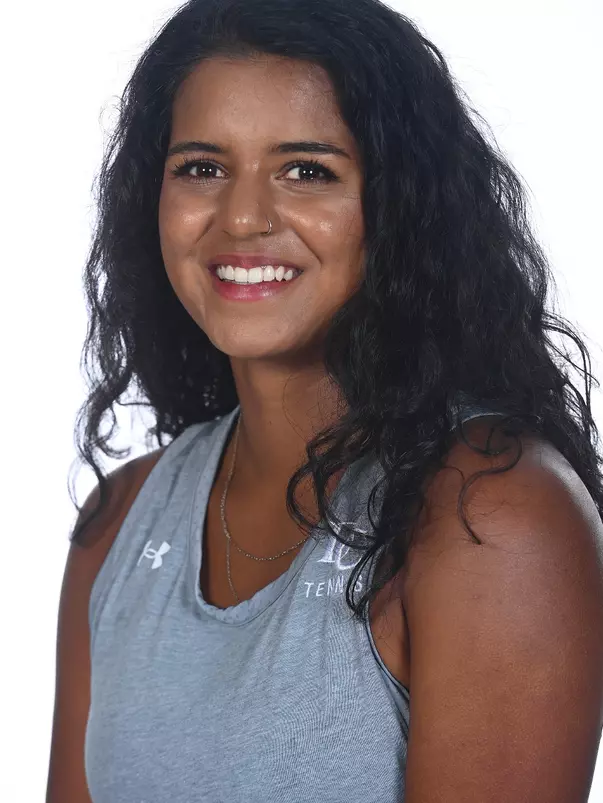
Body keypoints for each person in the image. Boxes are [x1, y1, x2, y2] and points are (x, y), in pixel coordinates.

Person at [46, 0, 603, 801]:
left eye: (306, 170)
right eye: (201, 166)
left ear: (400, 207)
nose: (241, 217)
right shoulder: (120, 523)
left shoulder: (491, 516)